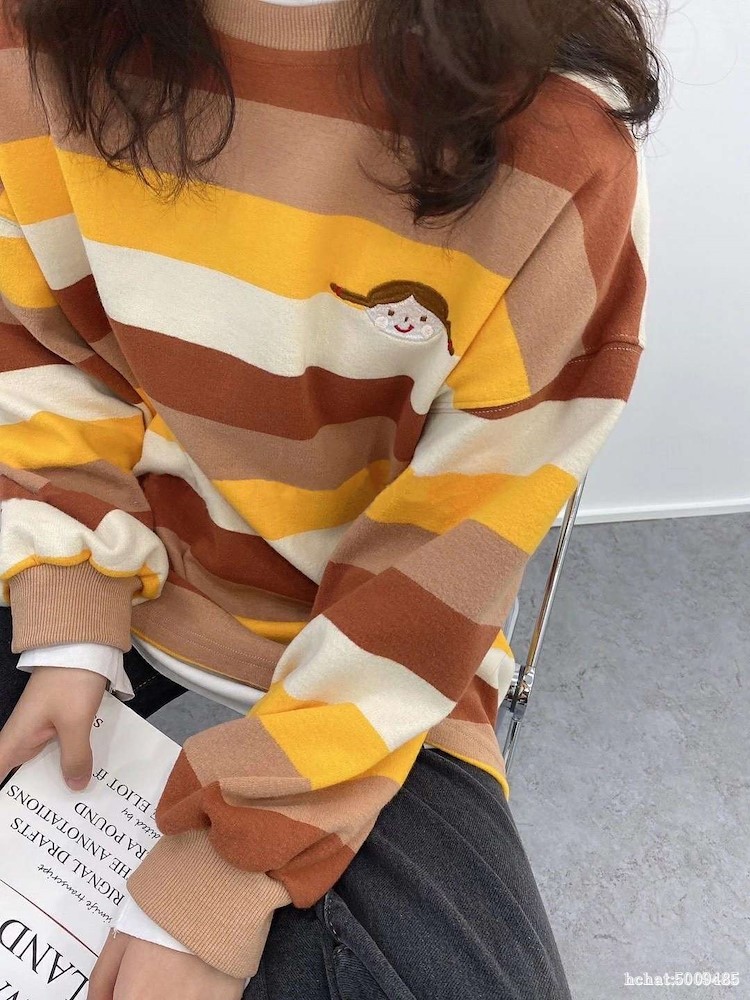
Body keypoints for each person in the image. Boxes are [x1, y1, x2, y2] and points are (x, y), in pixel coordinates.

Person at [0, 0, 661, 996]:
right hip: (113, 533)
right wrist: (68, 615)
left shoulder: (562, 146)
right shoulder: (34, 36)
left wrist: (235, 859)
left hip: (390, 636)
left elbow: (452, 544)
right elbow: (40, 340)